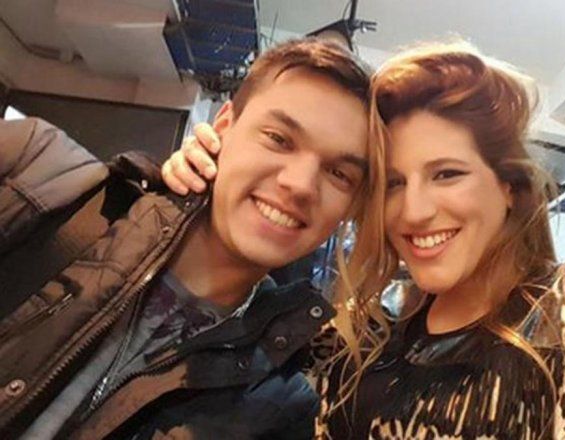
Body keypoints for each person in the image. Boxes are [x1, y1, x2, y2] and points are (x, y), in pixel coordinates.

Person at [164, 41, 565, 439]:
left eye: (447, 174)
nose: (414, 211)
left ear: (507, 187)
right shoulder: (359, 340)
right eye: (394, 183)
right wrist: (196, 206)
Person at [0, 37, 375, 439]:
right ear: (224, 127)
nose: (300, 185)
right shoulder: (36, 171)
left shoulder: (278, 409)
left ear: (352, 207)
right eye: (278, 139)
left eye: (339, 174)